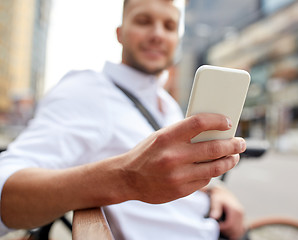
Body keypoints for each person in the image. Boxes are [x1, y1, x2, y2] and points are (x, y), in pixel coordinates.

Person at [0, 0, 246, 239]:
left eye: (169, 26)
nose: (158, 34)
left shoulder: (166, 102)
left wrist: (217, 189)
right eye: (143, 21)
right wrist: (126, 178)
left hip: (213, 227)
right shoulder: (86, 91)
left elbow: (175, 170)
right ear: (120, 33)